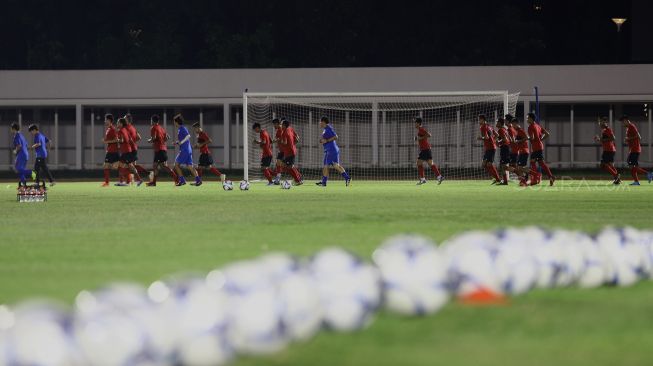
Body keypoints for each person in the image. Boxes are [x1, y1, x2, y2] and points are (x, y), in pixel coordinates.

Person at [316, 116, 351, 186]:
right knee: (336, 165)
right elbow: (324, 139)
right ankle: (347, 178)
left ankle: (324, 182)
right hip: (332, 150)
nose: (319, 123)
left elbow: (336, 136)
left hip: (331, 150)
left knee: (326, 166)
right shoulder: (326, 129)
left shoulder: (328, 128)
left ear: (323, 122)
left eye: (320, 122)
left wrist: (326, 140)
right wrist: (322, 140)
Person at [146, 114, 177, 186]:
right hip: (163, 149)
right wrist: (162, 141)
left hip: (159, 150)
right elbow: (168, 137)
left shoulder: (153, 128)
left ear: (152, 121)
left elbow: (153, 138)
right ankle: (154, 182)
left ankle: (175, 178)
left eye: (151, 120)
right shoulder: (161, 128)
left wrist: (149, 140)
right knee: (161, 166)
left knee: (158, 166)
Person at [621, 115, 652, 185]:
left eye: (623, 122)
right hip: (633, 149)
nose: (622, 124)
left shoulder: (632, 126)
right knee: (633, 166)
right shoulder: (629, 128)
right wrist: (628, 140)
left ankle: (648, 173)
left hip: (635, 149)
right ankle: (636, 181)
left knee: (631, 165)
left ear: (626, 120)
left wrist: (628, 139)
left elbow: (638, 137)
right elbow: (636, 137)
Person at [526, 113, 555, 186]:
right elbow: (547, 134)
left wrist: (526, 138)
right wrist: (541, 139)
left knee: (532, 162)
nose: (527, 119)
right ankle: (551, 176)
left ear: (531, 119)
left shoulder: (530, 127)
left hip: (536, 147)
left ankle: (535, 179)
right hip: (539, 146)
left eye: (528, 118)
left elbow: (532, 137)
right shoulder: (538, 126)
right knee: (541, 163)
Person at [173, 114, 202, 186]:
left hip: (184, 150)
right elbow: (183, 139)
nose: (174, 123)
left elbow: (188, 136)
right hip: (188, 150)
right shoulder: (181, 129)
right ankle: (198, 180)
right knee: (190, 166)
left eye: (174, 122)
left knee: (176, 165)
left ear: (177, 122)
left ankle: (182, 180)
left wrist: (181, 142)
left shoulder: (182, 128)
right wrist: (177, 142)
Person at [414, 117, 444, 185]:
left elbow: (429, 135)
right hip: (427, 149)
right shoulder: (420, 130)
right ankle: (439, 177)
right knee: (431, 163)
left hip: (425, 149)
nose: (414, 124)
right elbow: (424, 137)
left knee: (418, 163)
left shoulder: (421, 129)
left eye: (415, 122)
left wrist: (419, 138)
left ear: (418, 123)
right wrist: (418, 139)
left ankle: (423, 179)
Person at [114, 117, 142, 186]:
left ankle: (125, 182)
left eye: (118, 122)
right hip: (128, 151)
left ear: (121, 124)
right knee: (130, 166)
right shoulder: (125, 130)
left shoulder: (121, 130)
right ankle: (138, 179)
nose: (117, 123)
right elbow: (130, 139)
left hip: (126, 152)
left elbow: (122, 140)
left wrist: (117, 140)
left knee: (121, 166)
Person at [593, 117, 620, 184]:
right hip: (610, 149)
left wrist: (603, 140)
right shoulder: (604, 130)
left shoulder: (608, 129)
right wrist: (599, 139)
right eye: (599, 122)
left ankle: (616, 176)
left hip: (609, 150)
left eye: (601, 122)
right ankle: (617, 179)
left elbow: (613, 138)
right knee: (610, 165)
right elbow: (604, 141)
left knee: (603, 165)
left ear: (605, 122)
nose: (599, 123)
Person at [477, 114, 502, 184]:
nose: (479, 121)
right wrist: (493, 140)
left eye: (479, 119)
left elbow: (486, 137)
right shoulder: (489, 126)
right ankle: (496, 178)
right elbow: (497, 135)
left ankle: (497, 179)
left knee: (488, 164)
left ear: (483, 120)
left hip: (490, 148)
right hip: (490, 147)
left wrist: (480, 138)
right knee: (484, 164)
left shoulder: (483, 127)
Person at [279, 118, 303, 185]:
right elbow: (297, 138)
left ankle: (298, 180)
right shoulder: (290, 129)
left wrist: (280, 141)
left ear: (284, 125)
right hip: (291, 151)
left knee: (289, 167)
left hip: (289, 152)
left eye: (281, 124)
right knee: (285, 165)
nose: (280, 126)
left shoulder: (284, 132)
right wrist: (292, 144)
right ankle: (298, 178)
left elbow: (285, 143)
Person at [511, 118, 531, 186]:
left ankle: (531, 173)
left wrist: (519, 141)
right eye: (512, 124)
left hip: (524, 151)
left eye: (513, 124)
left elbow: (527, 137)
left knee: (519, 168)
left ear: (516, 123)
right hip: (521, 151)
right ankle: (524, 179)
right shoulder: (516, 131)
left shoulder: (520, 130)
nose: (513, 126)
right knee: (519, 167)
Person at [101, 114, 120, 187]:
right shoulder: (108, 129)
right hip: (110, 151)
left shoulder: (112, 129)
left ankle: (128, 177)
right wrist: (106, 140)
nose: (104, 121)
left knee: (118, 167)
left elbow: (116, 140)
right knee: (108, 166)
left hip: (113, 151)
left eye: (105, 120)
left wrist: (106, 141)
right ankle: (107, 182)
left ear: (109, 120)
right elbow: (109, 139)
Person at [495, 118, 512, 185]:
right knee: (503, 166)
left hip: (505, 149)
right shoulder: (504, 129)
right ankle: (505, 181)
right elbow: (509, 139)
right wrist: (500, 143)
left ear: (500, 123)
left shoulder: (500, 130)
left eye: (497, 122)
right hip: (505, 148)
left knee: (504, 166)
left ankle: (519, 172)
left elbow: (505, 139)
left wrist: (498, 141)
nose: (496, 123)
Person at [271, 118, 285, 184]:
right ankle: (277, 179)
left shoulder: (281, 129)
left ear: (277, 123)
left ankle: (278, 179)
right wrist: (273, 141)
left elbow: (282, 138)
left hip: (285, 150)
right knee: (278, 164)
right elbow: (277, 138)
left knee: (286, 165)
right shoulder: (278, 130)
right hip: (281, 150)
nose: (273, 126)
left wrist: (275, 140)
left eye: (274, 124)